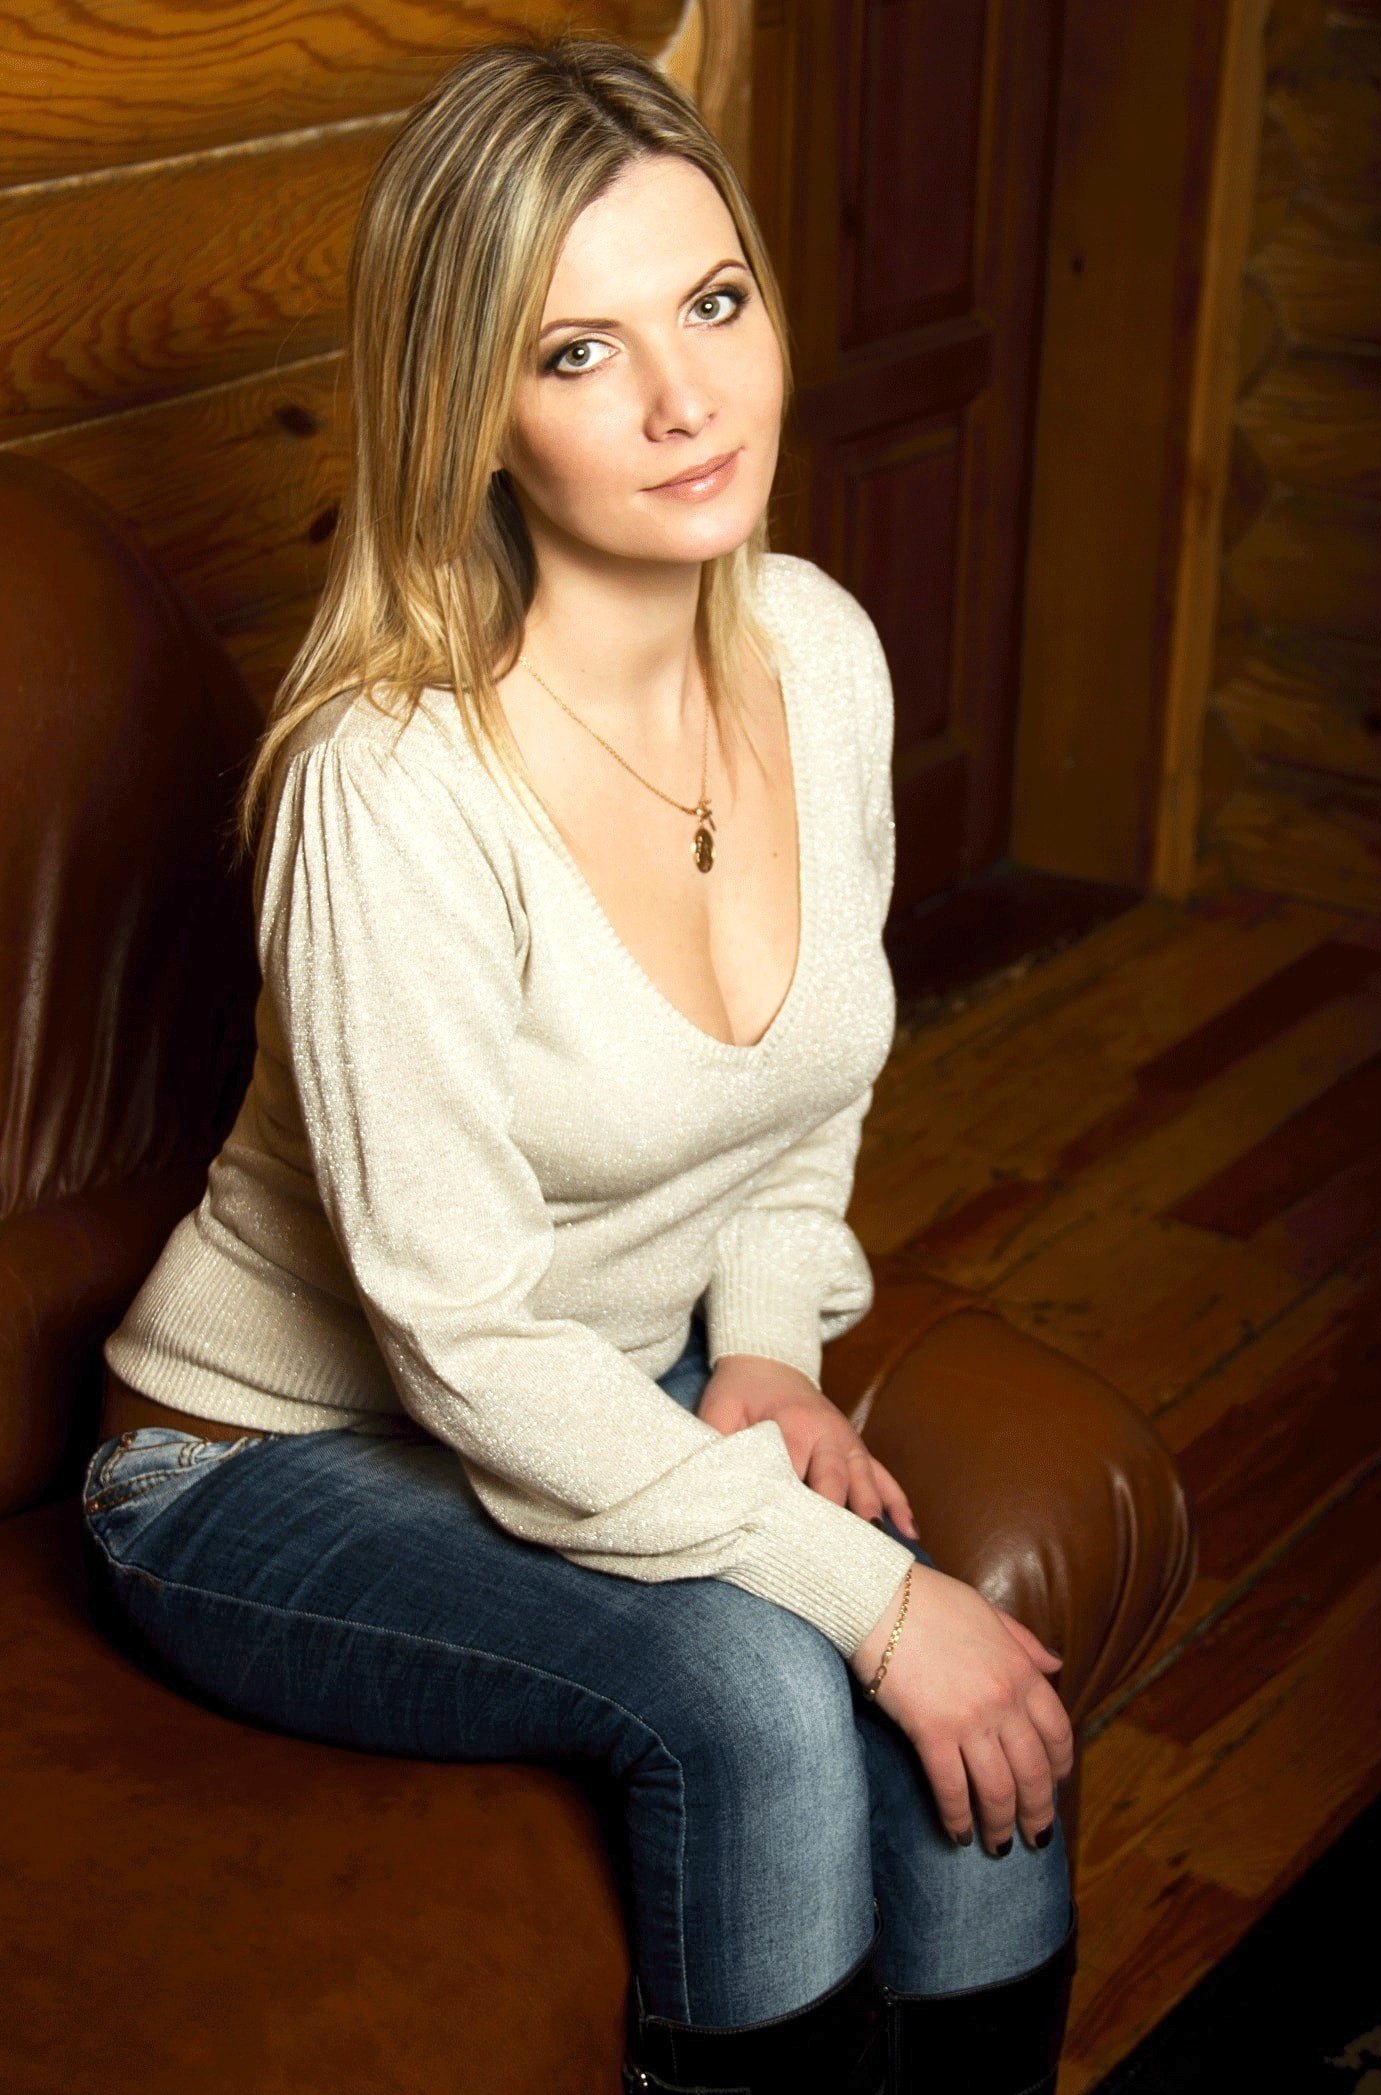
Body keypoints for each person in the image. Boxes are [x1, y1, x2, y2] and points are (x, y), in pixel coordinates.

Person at [81, 32, 1077, 2095]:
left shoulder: (817, 654)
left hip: (602, 1381)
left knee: (961, 1719)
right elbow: (455, 1335)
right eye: (579, 351)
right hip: (258, 1460)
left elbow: (807, 1092)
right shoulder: (389, 782)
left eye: (711, 302)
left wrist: (766, 1345)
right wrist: (868, 1600)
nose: (686, 400)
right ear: (473, 407)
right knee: (769, 1679)